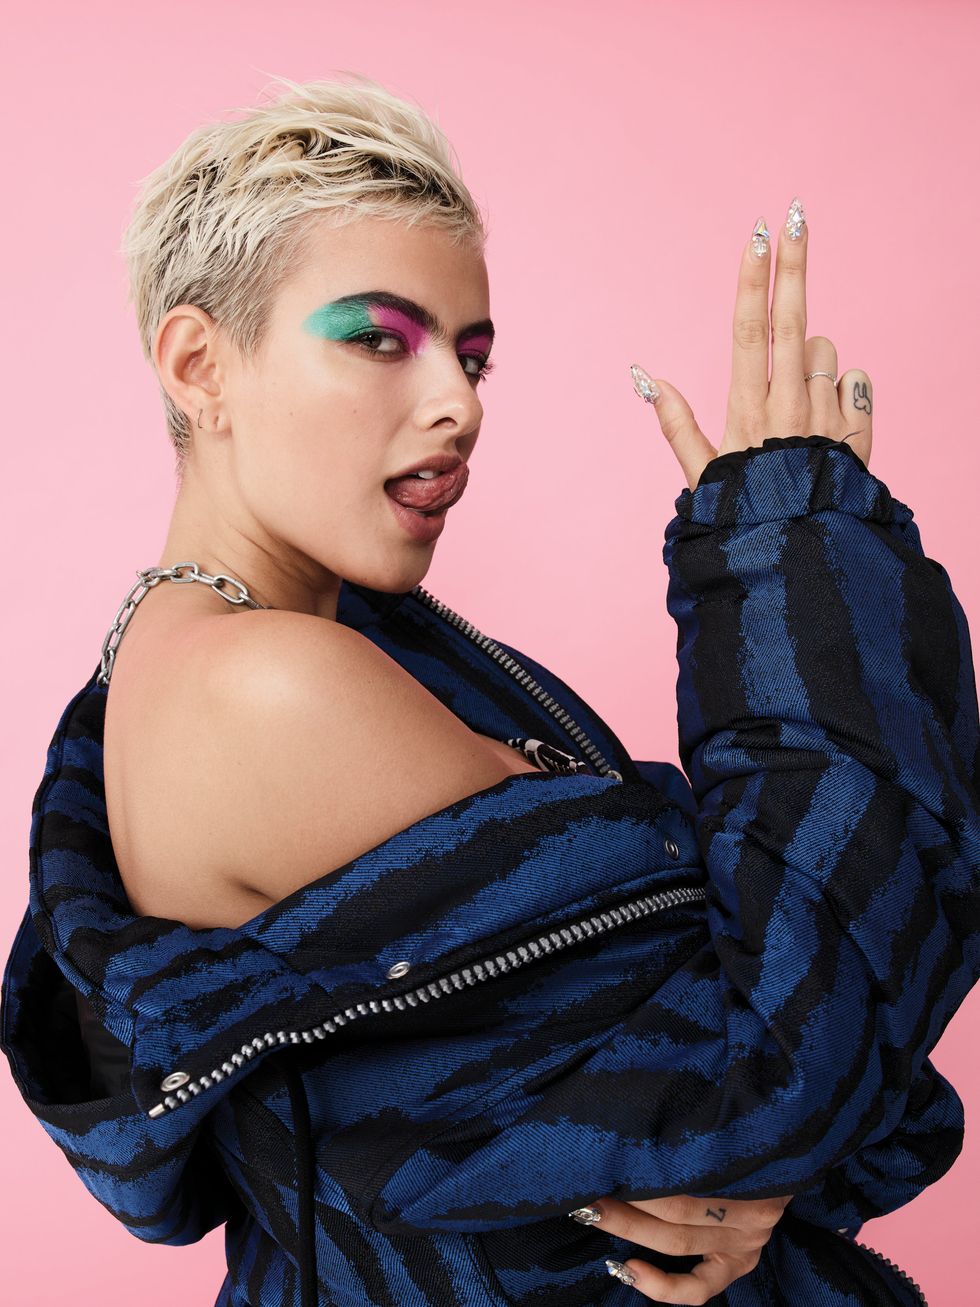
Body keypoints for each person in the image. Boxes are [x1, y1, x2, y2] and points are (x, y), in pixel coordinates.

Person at [1, 72, 976, 1307]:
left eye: (471, 356)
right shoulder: (263, 687)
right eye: (377, 338)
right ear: (199, 364)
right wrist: (799, 558)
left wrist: (716, 1165)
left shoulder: (213, 655)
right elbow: (788, 1047)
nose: (457, 404)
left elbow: (711, 1087)